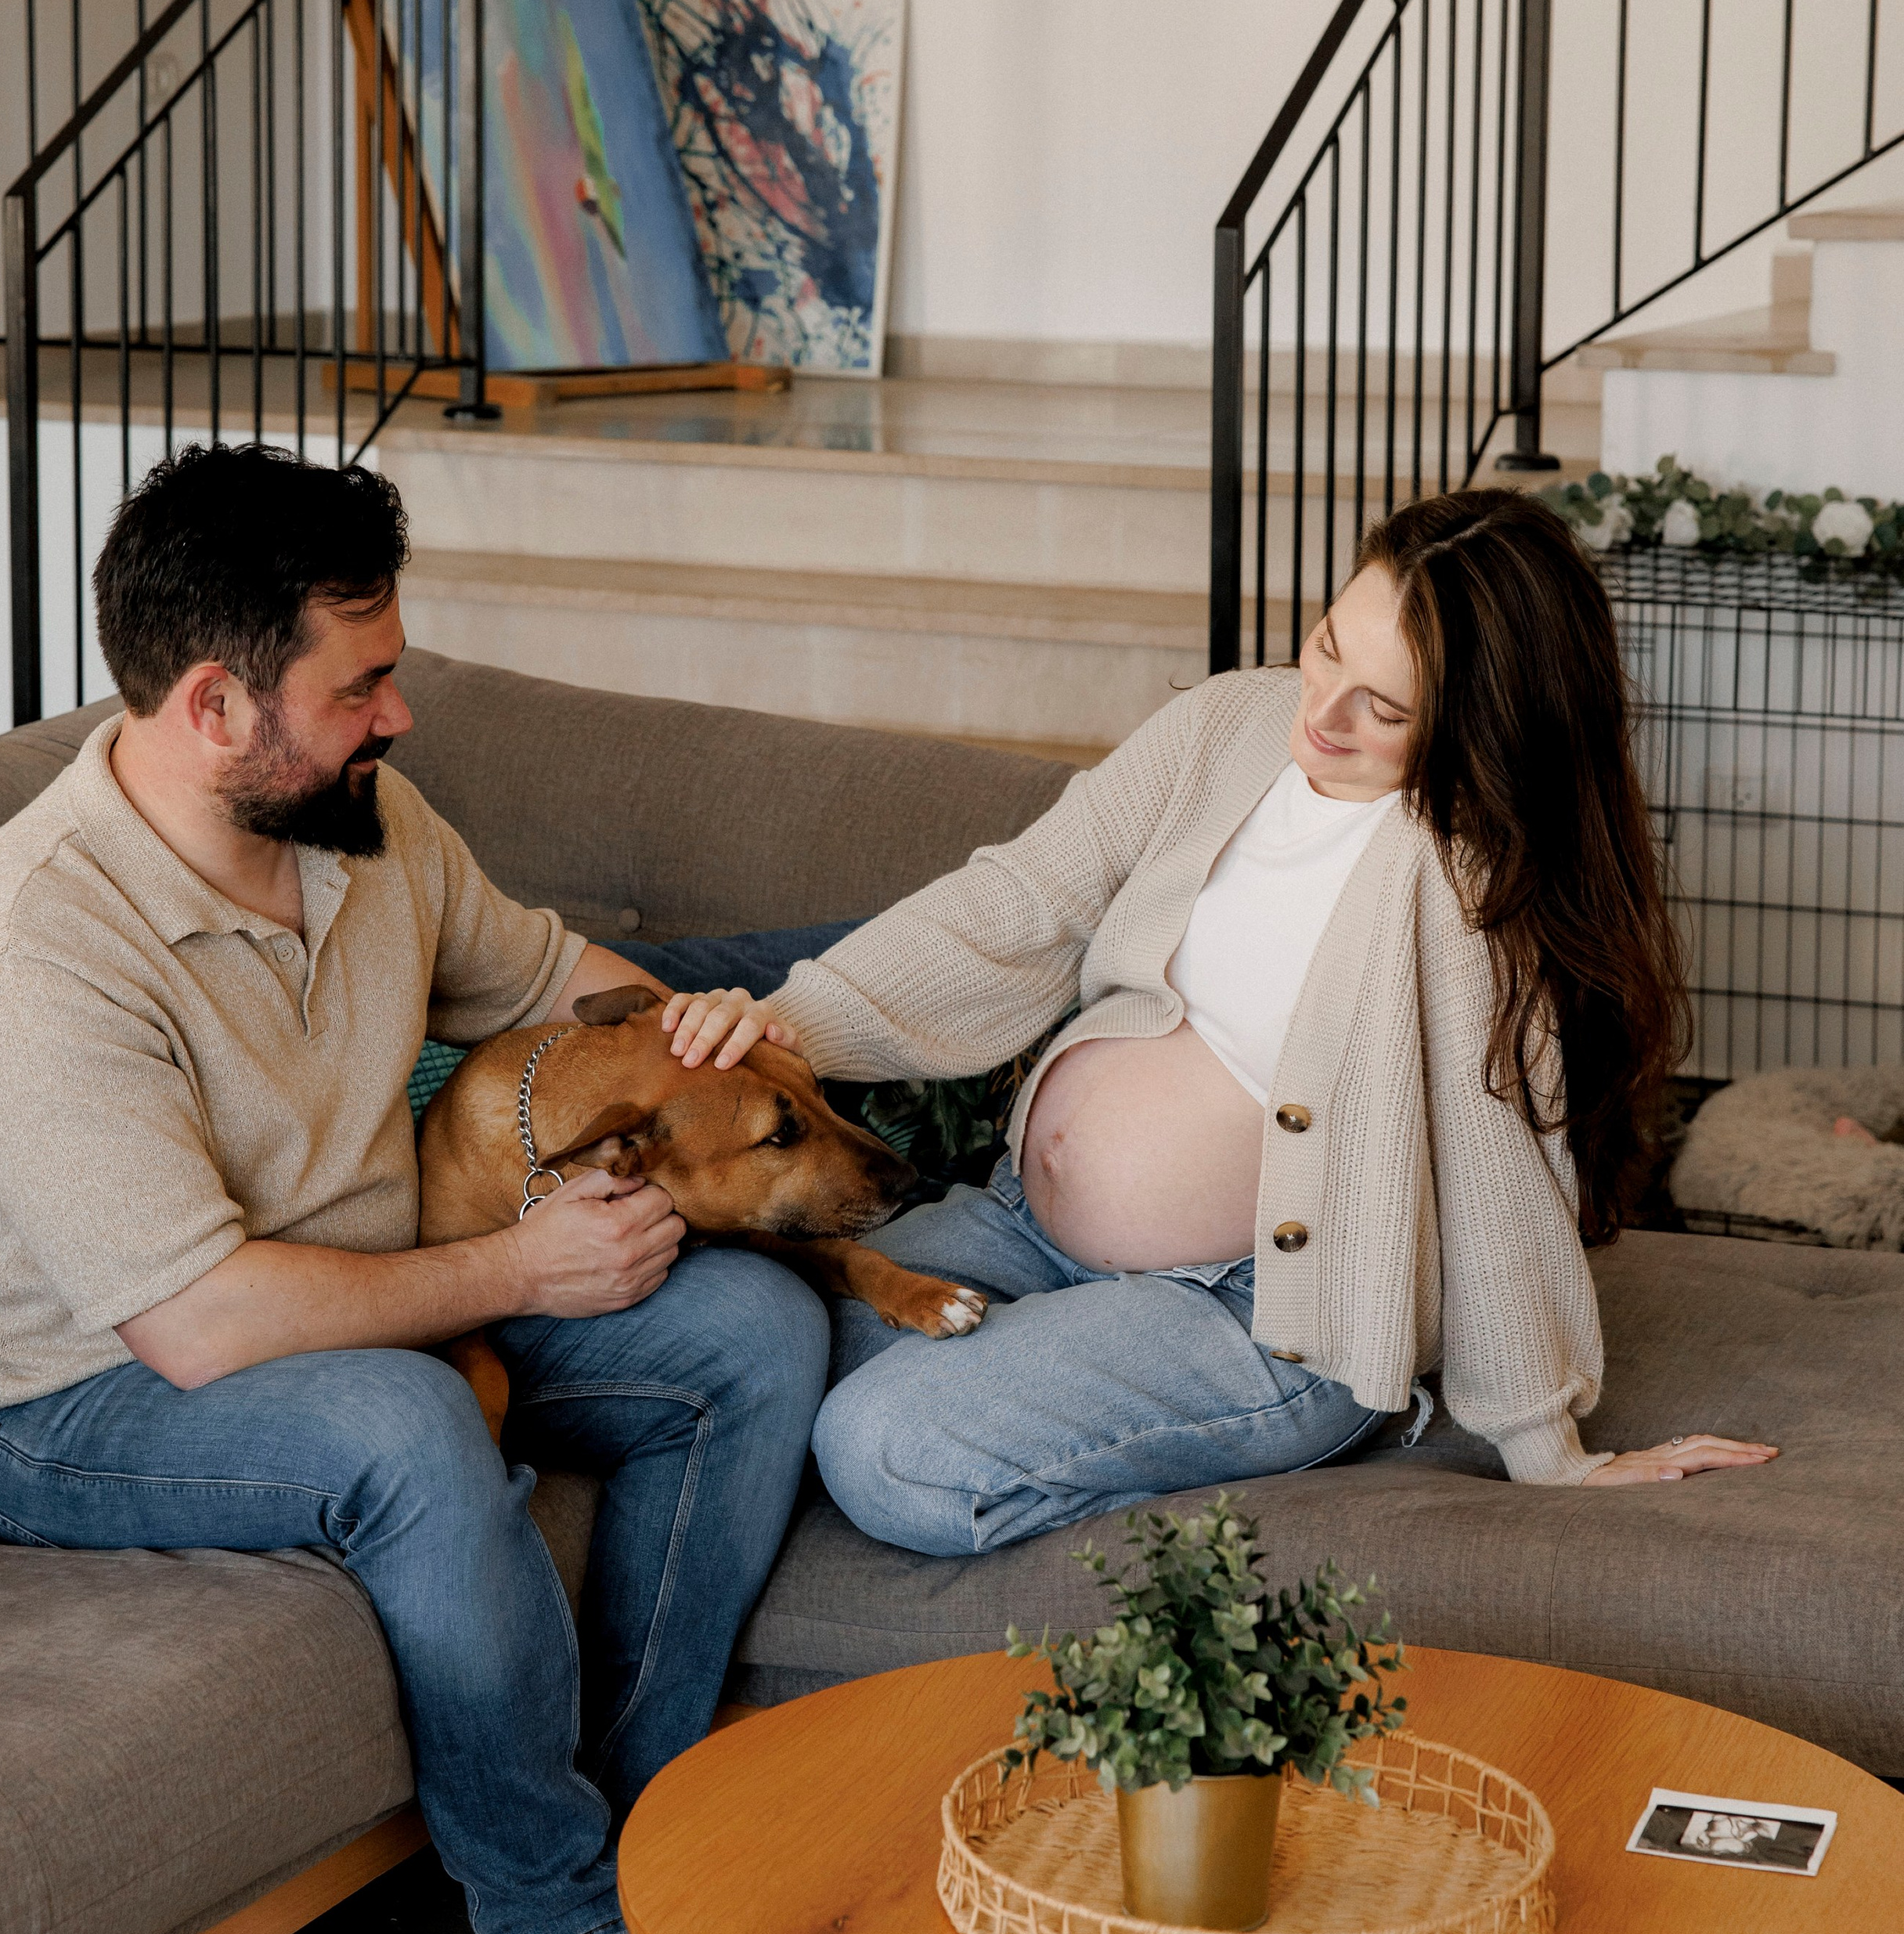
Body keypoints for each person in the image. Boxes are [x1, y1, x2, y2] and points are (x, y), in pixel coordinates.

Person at [0, 444, 822, 1934]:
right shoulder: (29, 948)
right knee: (404, 1428)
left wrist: (700, 1027)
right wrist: (514, 1271)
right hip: (76, 1402)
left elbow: (552, 977)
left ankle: (612, 1856)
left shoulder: (359, 824)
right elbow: (199, 1324)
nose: (398, 714)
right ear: (210, 703)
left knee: (748, 1336)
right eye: (361, 684)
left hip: (370, 1306)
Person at [694, 489, 1779, 1552]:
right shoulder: (1231, 725)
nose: (1324, 711)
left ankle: (1201, 1469)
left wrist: (1546, 1444)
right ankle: (1075, 1387)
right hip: (1028, 1224)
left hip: (1262, 1312)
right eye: (1326, 645)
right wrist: (786, 1029)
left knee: (883, 1446)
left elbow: (1502, 1171)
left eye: (1386, 709)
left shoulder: (1467, 896)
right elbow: (1023, 898)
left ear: (1486, 729)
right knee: (752, 1345)